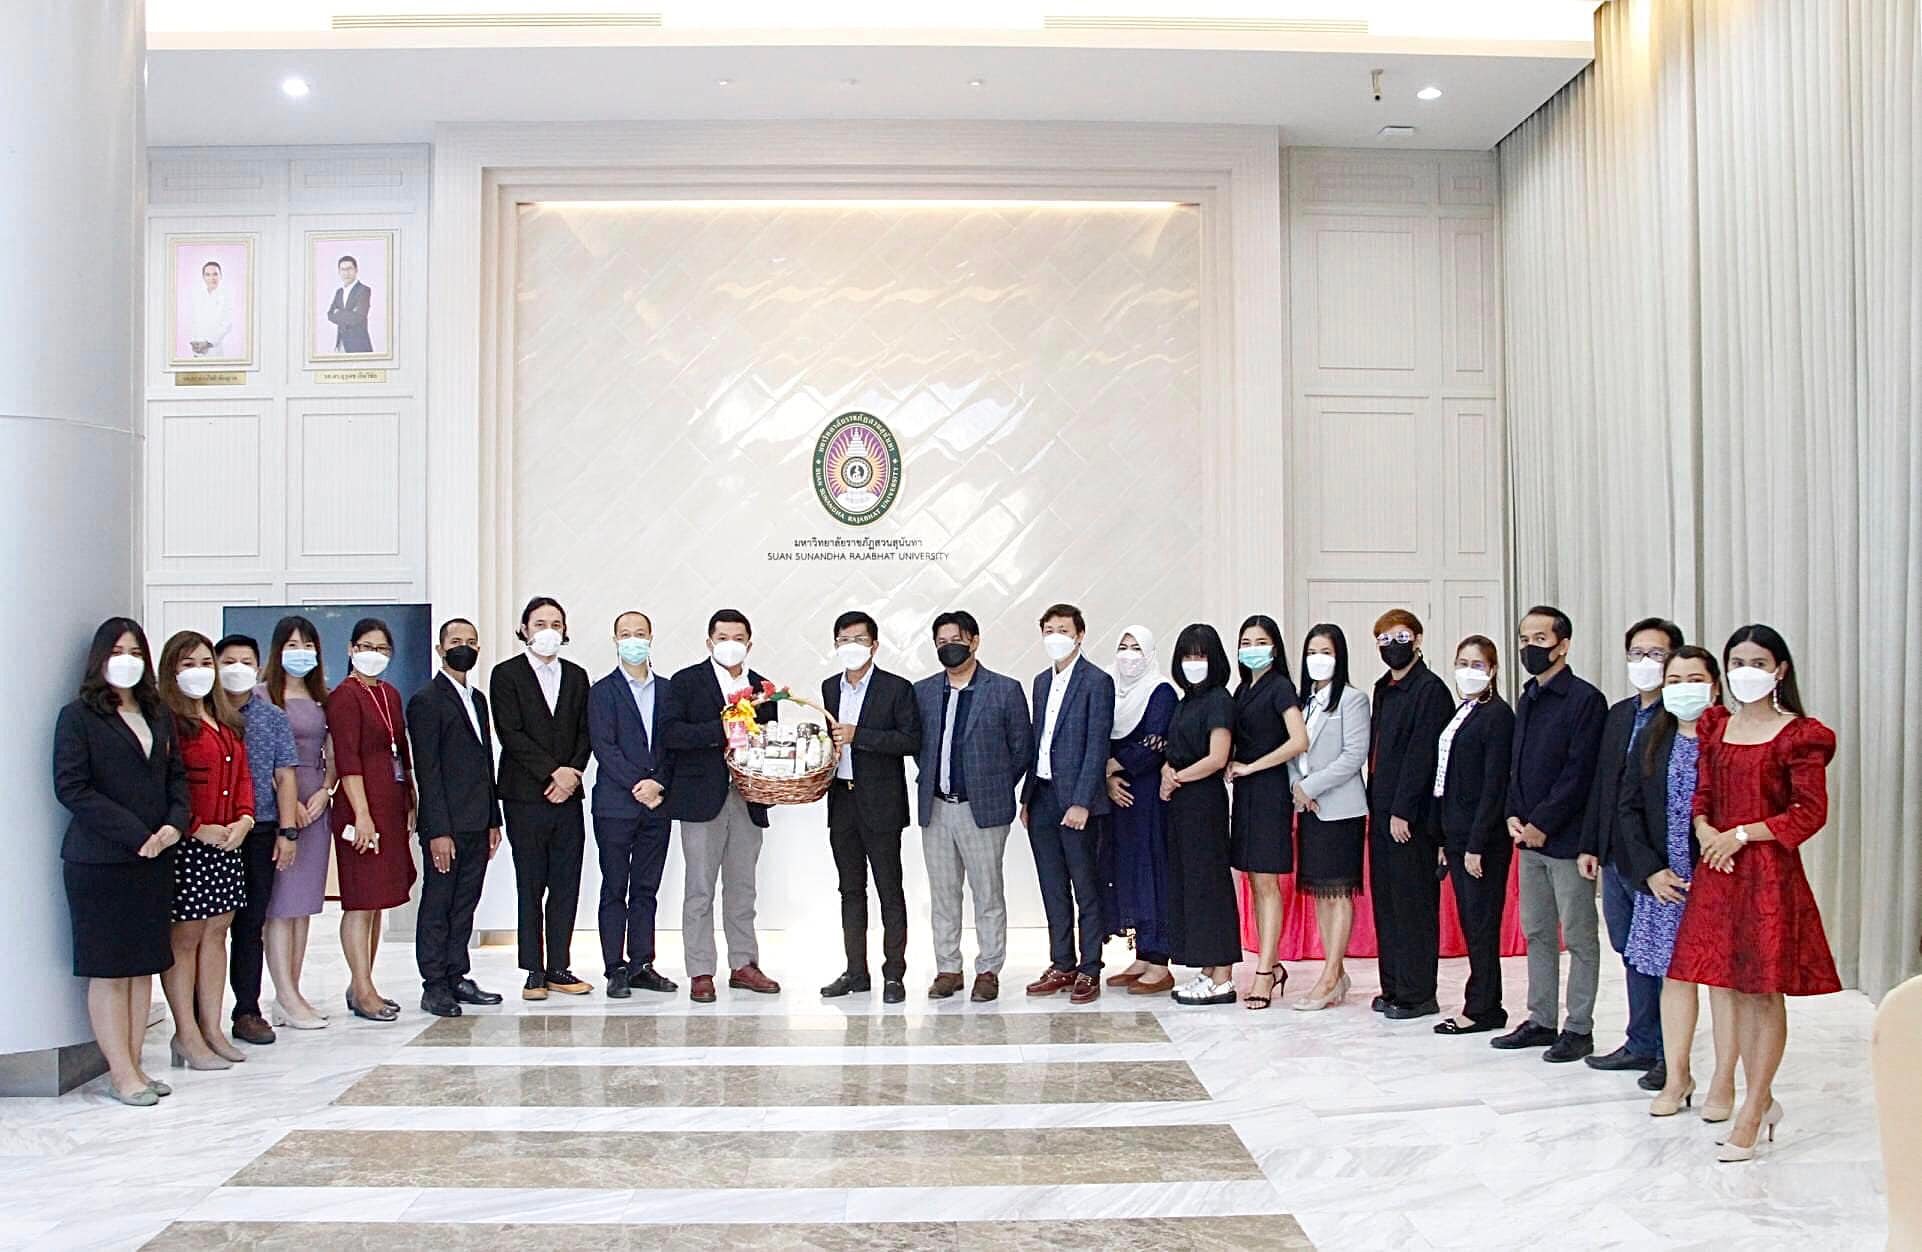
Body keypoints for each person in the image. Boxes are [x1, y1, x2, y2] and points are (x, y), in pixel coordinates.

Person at [1666, 625, 1840, 1162]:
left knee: (1763, 991)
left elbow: (1808, 813)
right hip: (1718, 869)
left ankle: (1755, 1104)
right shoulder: (1717, 726)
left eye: (1758, 663)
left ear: (1779, 670)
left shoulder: (1800, 734)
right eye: (1737, 662)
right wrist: (1705, 832)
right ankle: (1753, 1096)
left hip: (1766, 874)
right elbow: (1703, 795)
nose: (1746, 672)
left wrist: (1740, 835)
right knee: (1731, 985)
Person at [53, 618, 187, 1106]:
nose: (126, 661)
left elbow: (176, 778)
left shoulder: (157, 713)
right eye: (117, 652)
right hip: (101, 859)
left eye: (135, 652)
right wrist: (136, 835)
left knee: (141, 965)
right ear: (99, 659)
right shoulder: (78, 717)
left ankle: (136, 1064)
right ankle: (120, 1072)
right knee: (110, 968)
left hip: (156, 857)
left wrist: (174, 825)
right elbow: (72, 787)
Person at [1618, 646, 1738, 1123]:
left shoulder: (1730, 735)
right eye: (1674, 680)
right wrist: (1650, 870)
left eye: (1694, 679)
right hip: (1665, 882)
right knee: (1675, 979)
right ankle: (1677, 1076)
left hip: (1719, 876)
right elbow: (1628, 807)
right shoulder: (1653, 735)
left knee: (1723, 984)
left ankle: (1724, 1081)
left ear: (1714, 686)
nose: (1683, 688)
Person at [1494, 605, 1607, 1061]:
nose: (1529, 648)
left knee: (1578, 936)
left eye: (1539, 639)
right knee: (1537, 932)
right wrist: (1513, 814)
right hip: (1528, 839)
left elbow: (1579, 774)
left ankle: (1579, 1027)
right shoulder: (1528, 696)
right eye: (1524, 639)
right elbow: (1517, 765)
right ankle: (1541, 1019)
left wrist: (1543, 823)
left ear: (1563, 645)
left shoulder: (1585, 700)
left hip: (1566, 841)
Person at [1578, 618, 1685, 1087]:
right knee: (1630, 951)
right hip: (1615, 855)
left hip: (1657, 860)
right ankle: (1640, 1041)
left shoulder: (1678, 718)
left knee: (1661, 958)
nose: (1645, 662)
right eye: (1637, 653)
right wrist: (1591, 844)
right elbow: (1604, 785)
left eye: (1656, 654)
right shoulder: (1619, 714)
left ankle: (1667, 1053)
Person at [662, 608, 781, 1003]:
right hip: (701, 799)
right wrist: (723, 730)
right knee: (699, 889)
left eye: (738, 638)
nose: (731, 644)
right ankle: (700, 970)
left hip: (748, 799)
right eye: (722, 638)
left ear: (750, 643)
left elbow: (770, 740)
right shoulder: (686, 682)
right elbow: (672, 734)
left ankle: (744, 963)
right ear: (709, 642)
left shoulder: (763, 687)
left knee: (743, 888)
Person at [914, 610, 1032, 1003]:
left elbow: (1022, 749)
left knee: (988, 894)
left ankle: (988, 969)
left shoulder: (1005, 689)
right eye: (942, 642)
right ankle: (948, 968)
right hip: (936, 808)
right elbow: (919, 747)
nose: (949, 647)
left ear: (975, 641)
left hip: (982, 811)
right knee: (943, 895)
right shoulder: (924, 691)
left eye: (956, 639)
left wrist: (992, 786)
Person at [490, 596, 594, 1001]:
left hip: (569, 796)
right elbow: (510, 732)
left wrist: (571, 774)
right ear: (524, 629)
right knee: (531, 883)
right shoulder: (506, 674)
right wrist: (552, 773)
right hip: (525, 795)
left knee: (566, 883)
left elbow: (586, 732)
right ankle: (533, 968)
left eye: (556, 624)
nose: (548, 631)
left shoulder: (577, 676)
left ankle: (559, 966)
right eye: (539, 623)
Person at [158, 630, 253, 1069]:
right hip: (189, 845)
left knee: (217, 934)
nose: (198, 672)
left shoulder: (225, 719)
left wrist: (245, 819)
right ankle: (187, 1033)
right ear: (172, 671)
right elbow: (168, 786)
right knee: (186, 937)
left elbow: (245, 777)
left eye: (204, 663)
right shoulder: (170, 723)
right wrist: (197, 828)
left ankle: (212, 1028)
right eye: (188, 664)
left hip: (228, 843)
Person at [819, 610, 921, 1003]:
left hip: (882, 803)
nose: (851, 647)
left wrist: (858, 735)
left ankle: (894, 974)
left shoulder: (896, 688)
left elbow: (910, 741)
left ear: (874, 645)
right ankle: (855, 972)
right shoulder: (830, 688)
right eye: (844, 640)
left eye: (859, 640)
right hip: (841, 800)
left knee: (889, 889)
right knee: (850, 890)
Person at [408, 618, 507, 1017]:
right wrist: (438, 831)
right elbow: (427, 771)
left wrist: (493, 819)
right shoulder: (427, 700)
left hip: (478, 821)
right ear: (440, 649)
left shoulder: (478, 699)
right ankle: (434, 984)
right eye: (455, 641)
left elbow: (486, 761)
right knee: (439, 903)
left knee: (466, 902)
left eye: (470, 641)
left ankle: (456, 974)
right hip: (446, 825)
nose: (463, 647)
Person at [1021, 604, 1116, 1006]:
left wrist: (1081, 802)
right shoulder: (1041, 682)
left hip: (1077, 802)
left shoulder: (1097, 681)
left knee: (1085, 886)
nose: (1055, 636)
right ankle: (1062, 963)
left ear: (1080, 635)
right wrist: (1026, 797)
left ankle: (1090, 967)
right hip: (1041, 796)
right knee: (1052, 885)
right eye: (1049, 630)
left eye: (1063, 629)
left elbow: (1097, 745)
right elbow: (1038, 742)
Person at [326, 618, 418, 1022]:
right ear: (351, 649)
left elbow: (401, 750)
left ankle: (365, 983)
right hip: (360, 808)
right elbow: (347, 759)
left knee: (379, 900)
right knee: (361, 900)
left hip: (390, 803)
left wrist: (410, 797)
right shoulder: (345, 697)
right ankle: (361, 989)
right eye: (366, 647)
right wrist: (362, 815)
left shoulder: (389, 694)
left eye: (382, 649)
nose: (374, 655)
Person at [1366, 609, 1455, 1020]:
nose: (1392, 646)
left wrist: (1403, 809)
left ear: (1417, 639)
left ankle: (1418, 993)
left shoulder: (1430, 690)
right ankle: (1393, 986)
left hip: (1412, 816)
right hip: (1380, 809)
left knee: (1413, 902)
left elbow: (1424, 755)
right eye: (1384, 640)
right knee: (1387, 902)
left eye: (1400, 637)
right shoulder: (1383, 688)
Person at [586, 611, 678, 998]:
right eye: (625, 634)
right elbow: (603, 747)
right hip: (615, 806)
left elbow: (674, 744)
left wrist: (658, 784)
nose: (633, 640)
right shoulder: (601, 691)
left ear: (651, 638)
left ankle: (642, 963)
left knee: (646, 888)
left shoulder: (670, 690)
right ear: (615, 641)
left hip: (657, 805)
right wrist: (638, 784)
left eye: (640, 633)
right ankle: (615, 968)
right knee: (614, 887)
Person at [213, 634, 298, 1049]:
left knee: (250, 925)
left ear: (259, 667)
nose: (238, 668)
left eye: (246, 661)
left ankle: (247, 1010)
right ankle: (199, 1018)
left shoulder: (272, 717)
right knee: (206, 928)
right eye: (228, 661)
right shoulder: (201, 715)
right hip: (211, 833)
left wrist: (287, 831)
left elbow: (286, 775)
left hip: (261, 829)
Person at [1431, 636, 1515, 1035]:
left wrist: (1476, 843)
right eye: (1462, 663)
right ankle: (1483, 1001)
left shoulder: (1497, 716)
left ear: (1493, 670)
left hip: (1482, 840)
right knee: (1471, 921)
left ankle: (1482, 1007)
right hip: (1457, 834)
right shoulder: (1463, 711)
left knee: (1481, 923)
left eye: (1477, 665)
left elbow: (1494, 785)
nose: (1468, 671)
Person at [1226, 614, 1309, 1011]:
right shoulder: (1242, 689)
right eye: (1246, 642)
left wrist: (1253, 766)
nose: (1252, 649)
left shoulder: (1280, 687)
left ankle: (1264, 971)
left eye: (1260, 642)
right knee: (1253, 882)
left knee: (1266, 881)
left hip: (1269, 790)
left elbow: (1299, 740)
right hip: (1244, 793)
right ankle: (1270, 962)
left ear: (1274, 647)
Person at [1287, 624, 1370, 1011]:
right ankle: (1334, 970)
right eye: (1312, 652)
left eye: (1326, 652)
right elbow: (1294, 751)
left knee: (1338, 894)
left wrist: (1312, 786)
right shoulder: (1304, 703)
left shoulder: (1352, 700)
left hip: (1340, 810)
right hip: (1309, 810)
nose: (1317, 660)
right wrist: (1297, 787)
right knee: (1321, 893)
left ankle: (1331, 974)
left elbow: (1353, 756)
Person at [259, 616, 333, 1029]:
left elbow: (332, 753)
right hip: (280, 806)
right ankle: (282, 992)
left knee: (303, 906)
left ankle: (294, 992)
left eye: (307, 645)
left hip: (316, 803)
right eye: (291, 645)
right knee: (281, 906)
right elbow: (260, 756)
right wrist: (289, 804)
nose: (300, 652)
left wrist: (325, 789)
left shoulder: (322, 697)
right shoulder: (262, 696)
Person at [1163, 623, 1239, 1006]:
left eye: (1201, 655)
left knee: (1211, 884)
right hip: (1181, 803)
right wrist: (1167, 771)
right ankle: (1208, 968)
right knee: (1192, 885)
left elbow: (1216, 757)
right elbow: (1172, 750)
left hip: (1204, 801)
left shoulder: (1219, 700)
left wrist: (1176, 777)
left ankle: (1224, 975)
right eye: (1187, 656)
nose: (1193, 663)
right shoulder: (1185, 701)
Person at [1101, 626, 1178, 997]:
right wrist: (1107, 779)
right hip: (1117, 797)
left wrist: (1114, 766)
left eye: (1137, 648)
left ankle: (1160, 960)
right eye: (1123, 646)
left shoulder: (1160, 691)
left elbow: (1155, 743)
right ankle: (1142, 955)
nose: (1129, 655)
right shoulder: (1111, 689)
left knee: (1151, 869)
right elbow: (1098, 735)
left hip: (1146, 796)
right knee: (1127, 871)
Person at [326, 254, 373, 353]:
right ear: (339, 272)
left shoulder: (364, 290)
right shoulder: (339, 292)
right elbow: (330, 315)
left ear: (356, 270)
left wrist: (339, 312)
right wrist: (349, 313)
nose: (346, 273)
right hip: (340, 344)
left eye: (349, 269)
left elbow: (358, 317)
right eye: (343, 269)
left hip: (359, 346)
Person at [186, 259, 233, 357]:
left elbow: (226, 325)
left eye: (215, 274)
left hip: (214, 349)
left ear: (221, 276)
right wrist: (194, 342)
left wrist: (208, 343)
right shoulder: (198, 296)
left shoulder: (226, 297)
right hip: (197, 350)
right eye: (208, 275)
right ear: (203, 277)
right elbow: (193, 321)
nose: (212, 278)